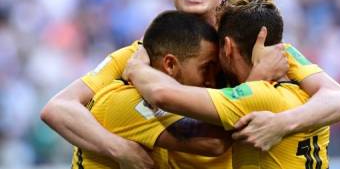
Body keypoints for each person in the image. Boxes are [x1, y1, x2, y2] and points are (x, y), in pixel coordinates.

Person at [41, 0, 340, 168]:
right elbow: (59, 108)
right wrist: (119, 148)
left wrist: (283, 123)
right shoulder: (142, 55)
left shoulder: (255, 46)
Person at [124, 0, 335, 169]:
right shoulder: (308, 92)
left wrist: (136, 66)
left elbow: (161, 95)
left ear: (227, 47)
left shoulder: (256, 98)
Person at [71, 10, 233, 169]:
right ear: (170, 65)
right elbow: (214, 142)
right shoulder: (128, 100)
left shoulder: (146, 95)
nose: (211, 81)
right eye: (205, 69)